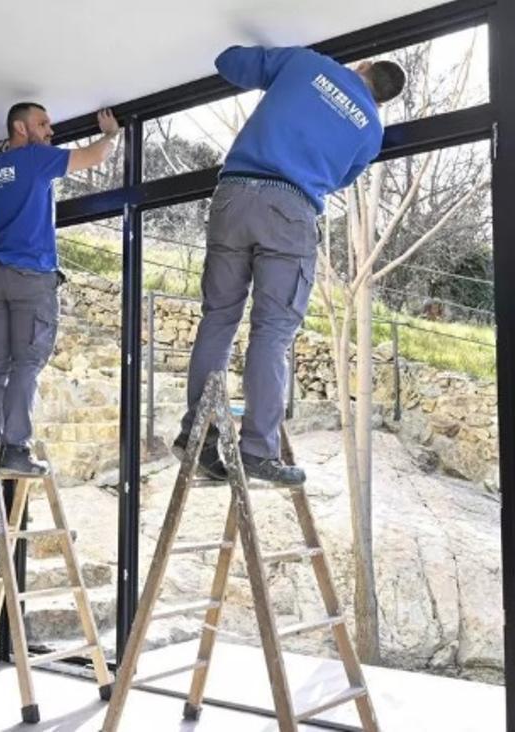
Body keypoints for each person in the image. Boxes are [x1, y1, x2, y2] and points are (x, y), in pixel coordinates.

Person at [177, 46, 406, 485]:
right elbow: (340, 177)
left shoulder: (308, 64)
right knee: (273, 332)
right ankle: (257, 452)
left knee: (219, 319)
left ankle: (198, 435)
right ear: (379, 100)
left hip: (234, 196)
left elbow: (227, 61)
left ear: (361, 66)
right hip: (289, 209)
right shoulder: (370, 128)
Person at [0, 103, 121, 474]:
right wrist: (111, 134)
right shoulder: (34, 159)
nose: (50, 131)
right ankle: (16, 450)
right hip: (29, 277)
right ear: (20, 128)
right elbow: (93, 157)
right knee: (27, 363)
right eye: (42, 124)